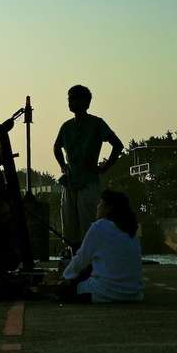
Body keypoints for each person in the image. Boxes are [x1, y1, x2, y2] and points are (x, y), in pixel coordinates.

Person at [54, 85, 124, 248]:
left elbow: (117, 145)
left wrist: (105, 167)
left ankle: (91, 259)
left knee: (89, 226)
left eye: (74, 99)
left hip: (88, 182)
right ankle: (75, 257)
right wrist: (63, 166)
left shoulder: (97, 124)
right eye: (69, 99)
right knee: (70, 228)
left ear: (86, 102)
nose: (71, 102)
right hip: (69, 182)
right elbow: (56, 147)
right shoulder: (66, 126)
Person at [61, 189, 144, 303]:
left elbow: (81, 259)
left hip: (105, 293)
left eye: (100, 203)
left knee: (66, 289)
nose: (97, 207)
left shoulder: (99, 226)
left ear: (108, 208)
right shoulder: (133, 228)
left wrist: (65, 276)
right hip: (135, 294)